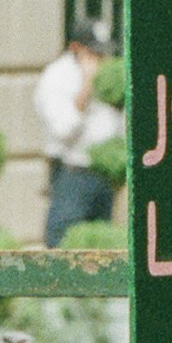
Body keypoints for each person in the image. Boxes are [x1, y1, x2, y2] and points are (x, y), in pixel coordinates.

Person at [35, 16, 122, 242]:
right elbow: (63, 129)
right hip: (72, 171)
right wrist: (87, 85)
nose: (100, 58)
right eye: (93, 52)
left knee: (100, 245)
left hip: (104, 176)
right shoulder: (56, 77)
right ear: (75, 48)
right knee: (63, 239)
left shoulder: (108, 73)